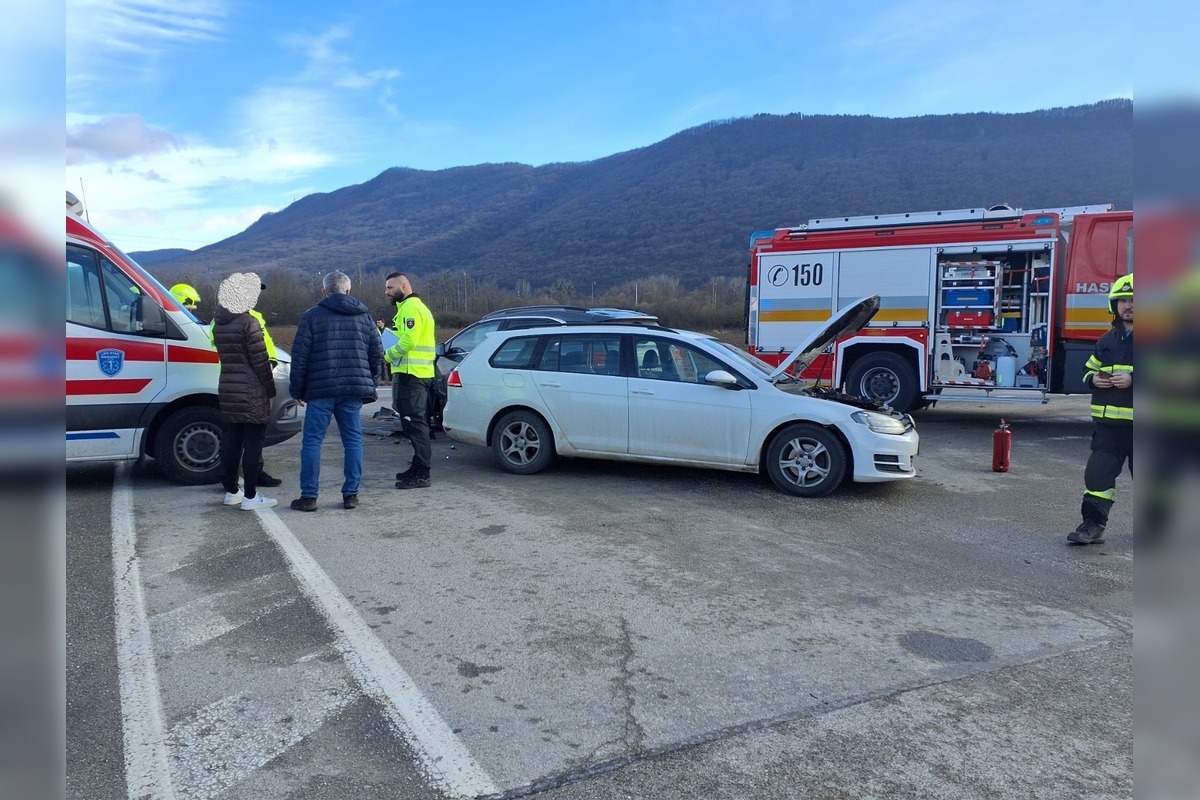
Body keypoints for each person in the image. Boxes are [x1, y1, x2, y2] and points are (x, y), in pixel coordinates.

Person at [288, 270, 383, 511]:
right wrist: (369, 383)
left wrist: (296, 389)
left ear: (324, 291)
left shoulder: (312, 316)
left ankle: (309, 497)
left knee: (312, 441)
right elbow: (376, 353)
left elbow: (300, 356)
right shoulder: (364, 317)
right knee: (353, 441)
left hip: (320, 390)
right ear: (348, 291)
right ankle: (351, 495)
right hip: (352, 390)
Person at [1069, 273, 1133, 545]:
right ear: (1114, 305)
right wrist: (1093, 379)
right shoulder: (1107, 339)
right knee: (1096, 477)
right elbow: (1087, 371)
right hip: (1109, 429)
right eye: (1123, 300)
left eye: (1135, 300)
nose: (1129, 305)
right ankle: (1093, 525)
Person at [206, 283, 284, 488]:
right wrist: (269, 388)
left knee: (233, 435)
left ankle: (229, 485)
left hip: (230, 383)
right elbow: (257, 356)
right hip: (251, 383)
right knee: (253, 438)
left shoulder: (219, 320)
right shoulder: (249, 320)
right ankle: (251, 488)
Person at [383, 272, 437, 489]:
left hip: (411, 375)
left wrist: (387, 355)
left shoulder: (410, 308)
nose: (386, 292)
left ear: (403, 286)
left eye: (389, 287)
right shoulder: (418, 307)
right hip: (419, 374)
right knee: (416, 423)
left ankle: (422, 473)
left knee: (415, 425)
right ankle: (417, 466)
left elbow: (409, 341)